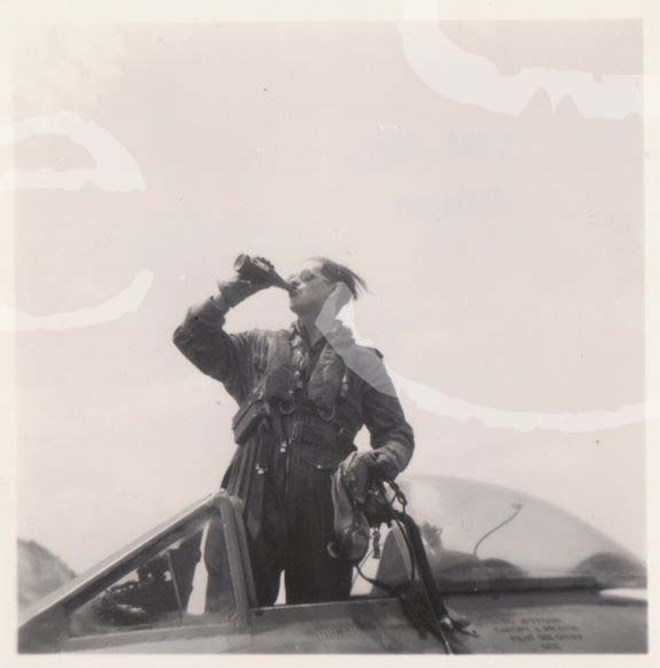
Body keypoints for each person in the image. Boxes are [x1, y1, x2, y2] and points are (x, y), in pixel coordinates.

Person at [173, 257, 414, 606]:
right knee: (230, 625)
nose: (293, 281)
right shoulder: (258, 346)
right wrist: (233, 291)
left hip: (326, 510)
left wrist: (376, 462)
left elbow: (398, 435)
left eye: (308, 276)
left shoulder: (364, 362)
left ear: (336, 293)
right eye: (294, 276)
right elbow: (191, 337)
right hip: (249, 502)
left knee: (321, 632)